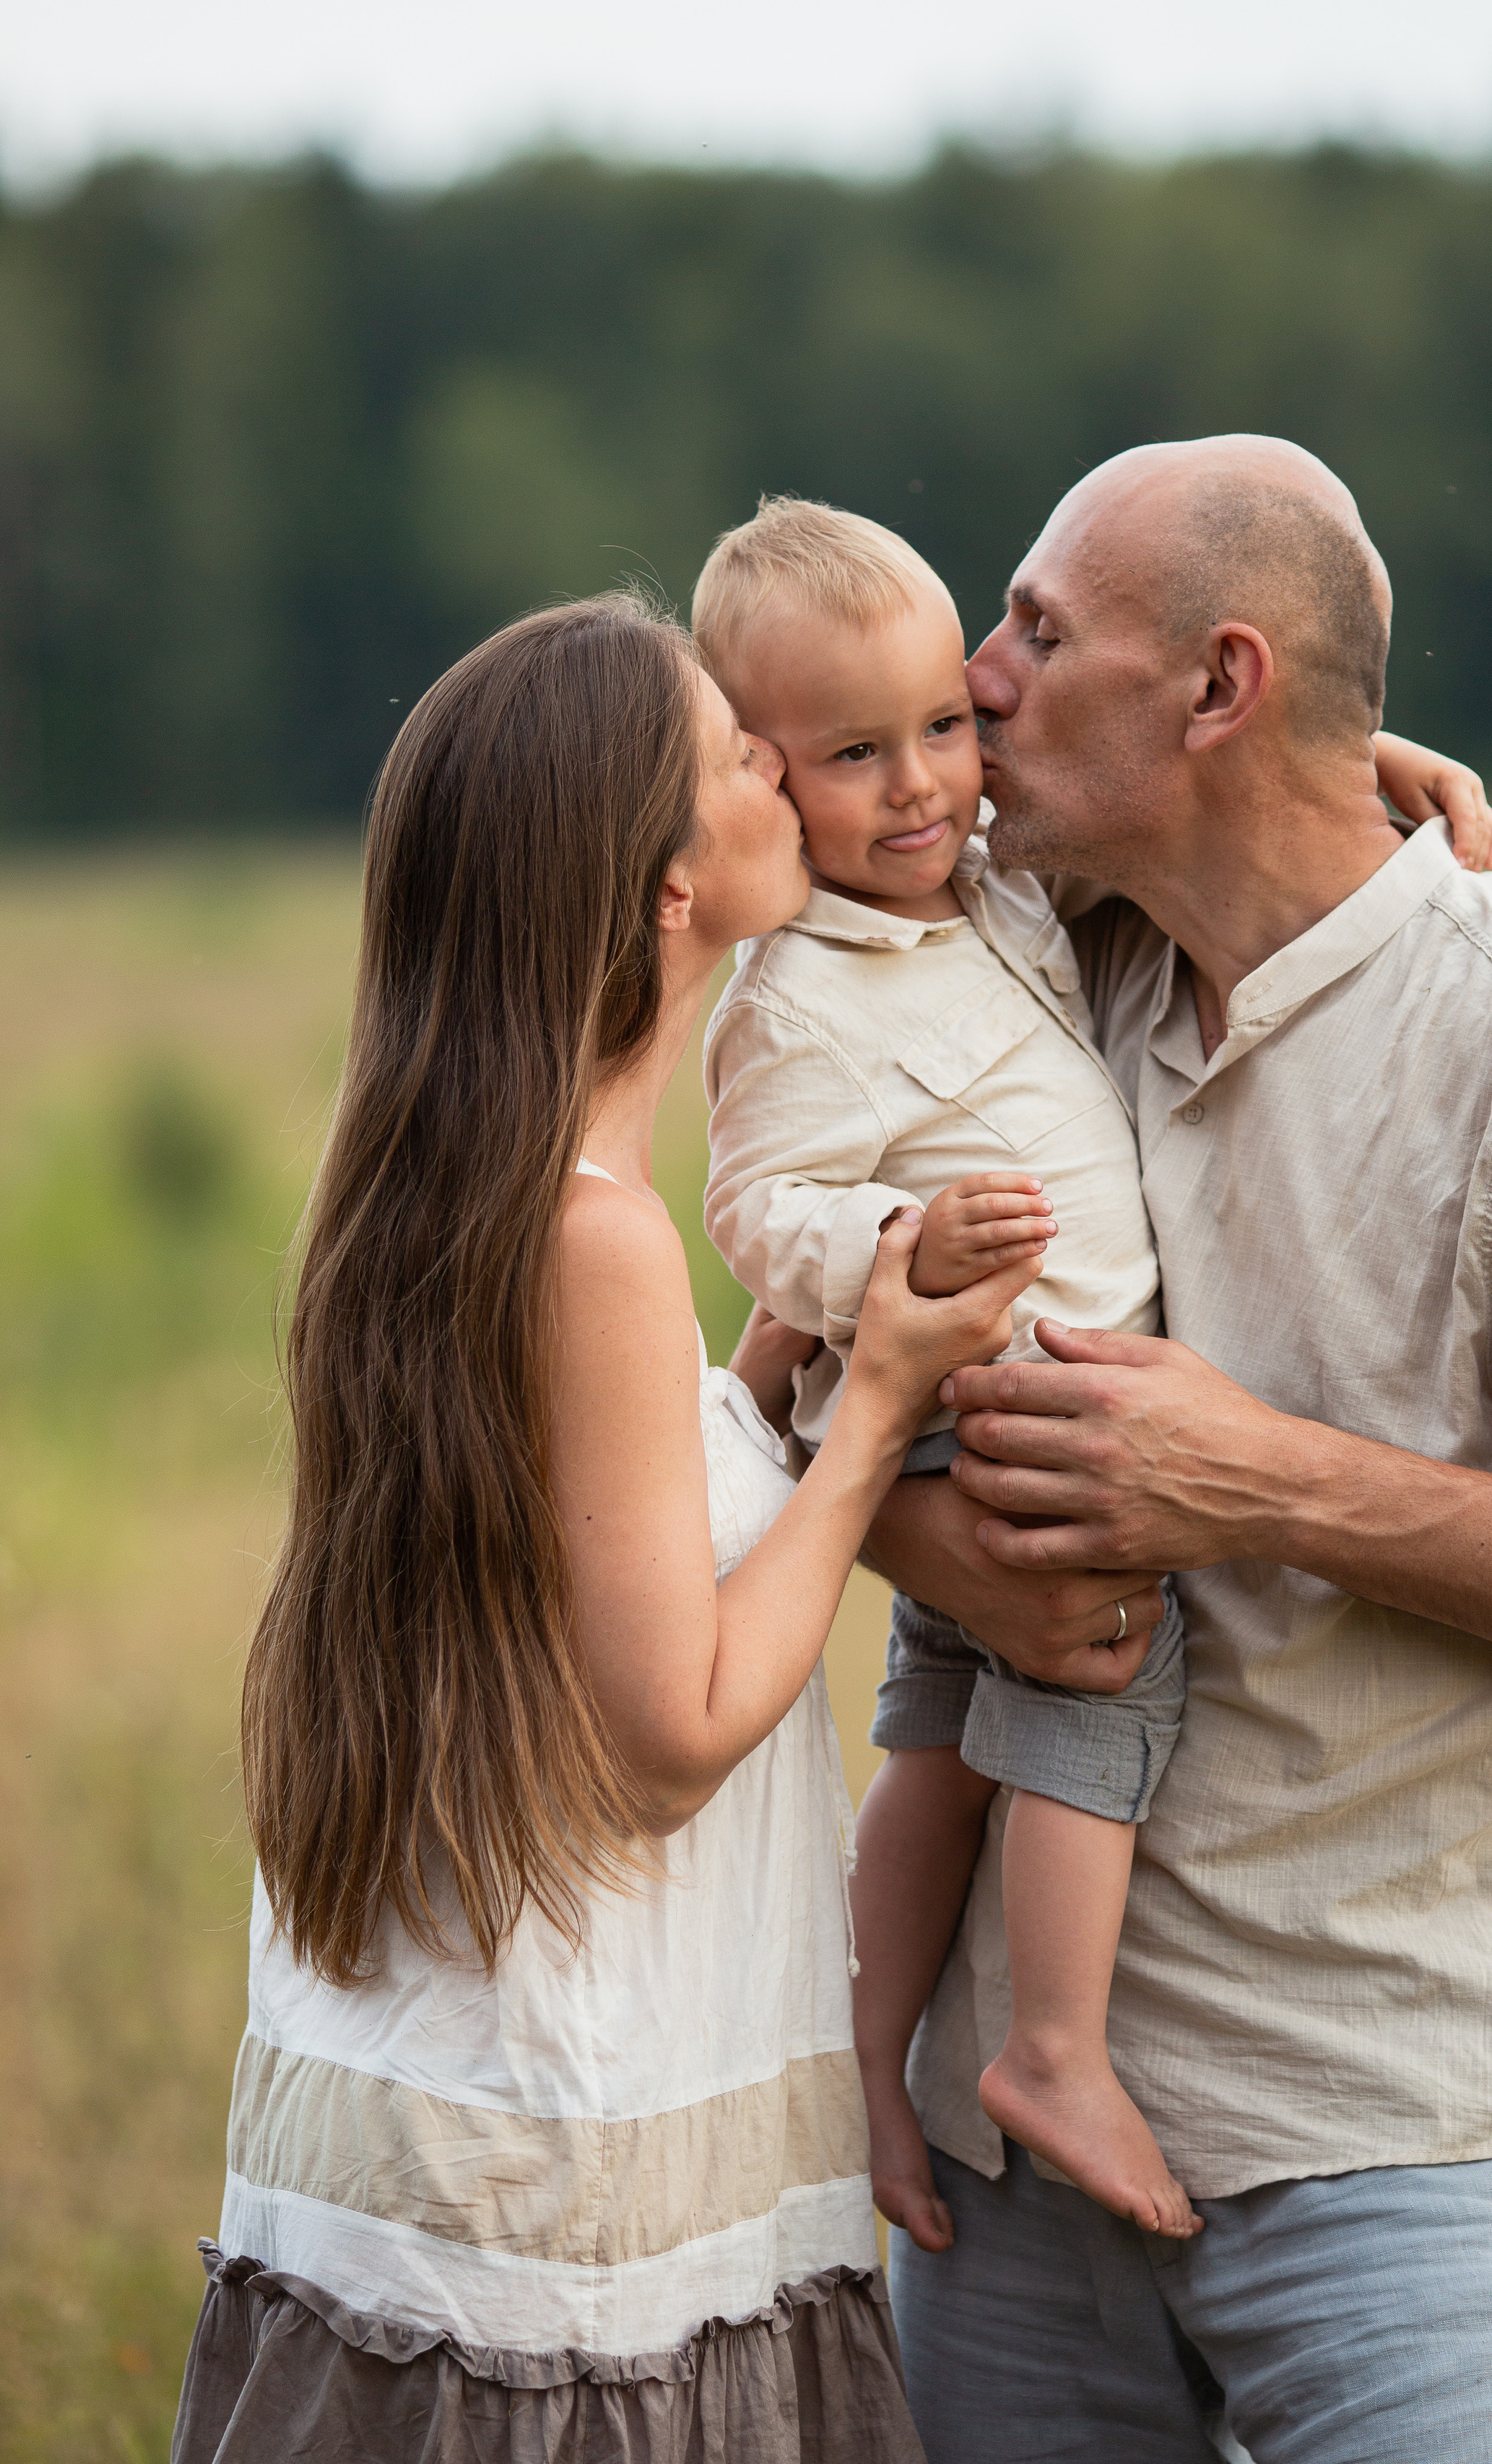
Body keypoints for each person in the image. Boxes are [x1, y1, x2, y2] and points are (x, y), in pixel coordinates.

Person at [864, 437, 1492, 2463]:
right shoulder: (1043, 964)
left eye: (1042, 629)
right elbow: (812, 1371)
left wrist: (1264, 1480)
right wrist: (925, 1537)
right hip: (1001, 2173)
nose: (979, 671)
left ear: (1220, 690)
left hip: (1410, 2157)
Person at [170, 594, 1045, 2464]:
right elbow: (669, 1730)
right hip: (572, 2207)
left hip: (449, 2149)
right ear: (664, 886)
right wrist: (878, 1403)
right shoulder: (591, 1238)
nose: (800, 772)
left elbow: (605, 1518)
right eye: (747, 753)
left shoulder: (477, 1192)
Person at [692, 498, 1492, 2251]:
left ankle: (862, 2049)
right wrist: (896, 1243)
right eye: (853, 753)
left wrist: (1364, 762)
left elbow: (1212, 776)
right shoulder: (800, 990)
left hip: (982, 1399)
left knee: (937, 1744)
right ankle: (1052, 2046)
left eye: (942, 728)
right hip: (993, 1399)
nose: (921, 783)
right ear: (758, 775)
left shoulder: (979, 886)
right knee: (1105, 1658)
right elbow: (755, 1206)